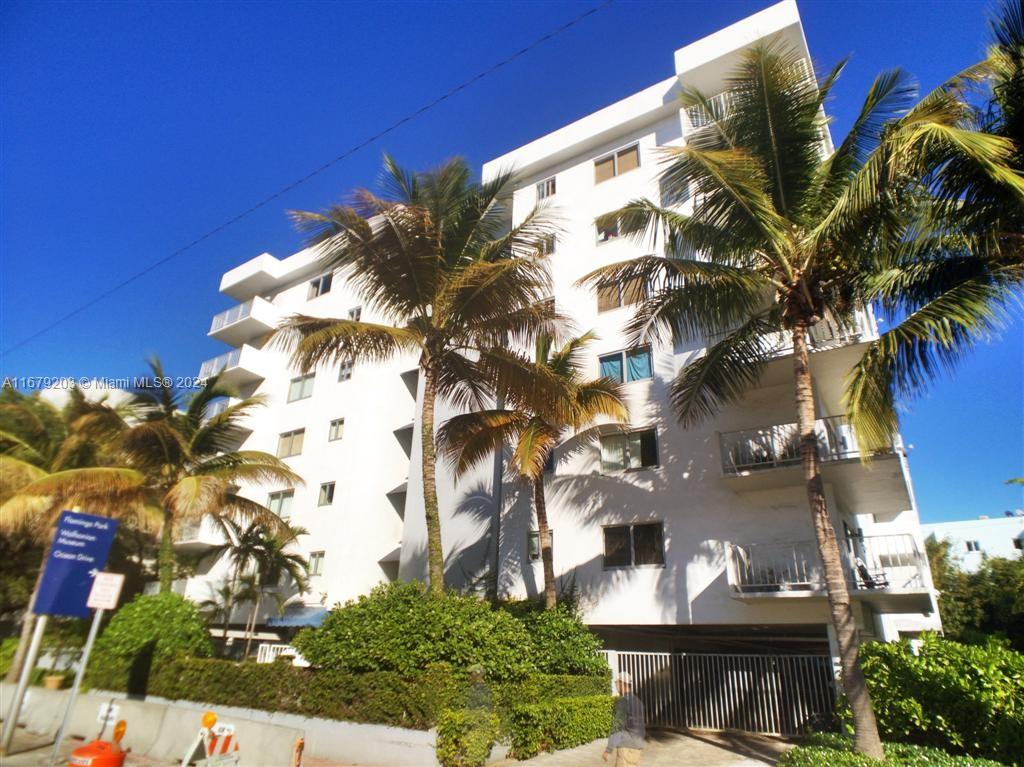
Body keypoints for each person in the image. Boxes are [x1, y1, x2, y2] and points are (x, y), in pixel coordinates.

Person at [603, 671, 646, 765]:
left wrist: (608, 749)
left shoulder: (623, 701)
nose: (617, 686)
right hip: (638, 747)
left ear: (622, 683)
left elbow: (617, 727)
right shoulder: (638, 701)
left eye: (617, 683)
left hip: (626, 748)